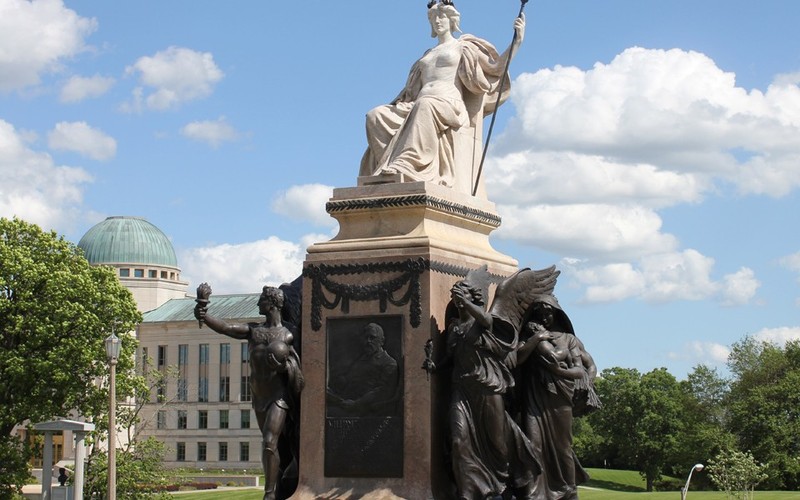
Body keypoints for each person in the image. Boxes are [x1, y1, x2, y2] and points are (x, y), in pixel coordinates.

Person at [359, 0, 525, 194]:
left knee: (425, 105)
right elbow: (411, 90)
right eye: (433, 18)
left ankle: (409, 163)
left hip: (448, 103)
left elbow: (496, 67)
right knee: (375, 115)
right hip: (418, 102)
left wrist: (517, 42)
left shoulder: (464, 47)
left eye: (442, 17)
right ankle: (389, 172)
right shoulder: (427, 54)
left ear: (452, 20)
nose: (437, 21)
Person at [425, 278, 538, 499]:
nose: (457, 300)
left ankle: (502, 487)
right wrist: (435, 366)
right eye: (454, 297)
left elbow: (487, 320)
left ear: (473, 298)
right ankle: (468, 491)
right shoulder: (455, 328)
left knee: (497, 444)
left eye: (462, 295)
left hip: (487, 388)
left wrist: (467, 305)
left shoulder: (487, 323)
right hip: (462, 390)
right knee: (459, 440)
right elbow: (451, 358)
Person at [194, 286, 304, 500]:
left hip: (279, 397)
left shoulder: (290, 334)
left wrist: (285, 367)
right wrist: (203, 309)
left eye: (261, 300)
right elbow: (225, 327)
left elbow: (303, 366)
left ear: (272, 304)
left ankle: (269, 494)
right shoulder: (253, 331)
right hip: (259, 397)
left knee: (269, 440)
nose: (258, 304)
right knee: (272, 443)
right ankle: (283, 483)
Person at [514, 295, 600, 500]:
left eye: (548, 312)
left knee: (562, 447)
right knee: (533, 444)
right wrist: (536, 339)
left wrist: (585, 383)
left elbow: (589, 366)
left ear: (556, 313)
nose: (544, 317)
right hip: (535, 397)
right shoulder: (531, 334)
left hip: (560, 397)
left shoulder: (569, 338)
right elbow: (517, 359)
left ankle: (568, 491)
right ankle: (533, 493)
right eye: (540, 313)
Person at [327, 323, 399, 416]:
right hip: (346, 402)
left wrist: (356, 404)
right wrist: (341, 381)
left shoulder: (389, 363)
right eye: (366, 338)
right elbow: (350, 379)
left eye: (372, 337)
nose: (368, 341)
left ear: (382, 341)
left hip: (367, 410)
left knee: (329, 413)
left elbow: (383, 392)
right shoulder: (361, 359)